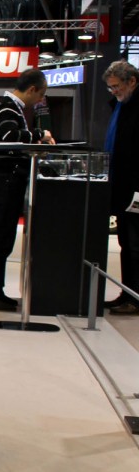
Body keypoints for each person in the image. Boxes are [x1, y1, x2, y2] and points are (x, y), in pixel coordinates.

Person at [0, 69, 55, 311]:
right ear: (31, 89)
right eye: (40, 95)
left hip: (4, 180)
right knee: (1, 239)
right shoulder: (8, 108)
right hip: (5, 180)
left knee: (3, 238)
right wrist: (40, 134)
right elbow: (11, 136)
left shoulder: (6, 106)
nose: (39, 100)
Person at [102, 60, 139, 314]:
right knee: (127, 243)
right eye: (110, 87)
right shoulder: (121, 106)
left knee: (136, 245)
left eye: (116, 86)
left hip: (136, 189)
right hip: (123, 188)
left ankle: (134, 297)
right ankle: (127, 293)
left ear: (132, 81)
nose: (113, 91)